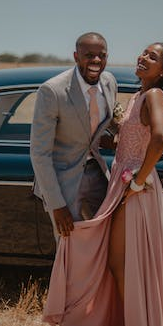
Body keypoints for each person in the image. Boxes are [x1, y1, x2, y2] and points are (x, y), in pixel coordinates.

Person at [42, 42, 163, 326]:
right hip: (123, 182)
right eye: (144, 53)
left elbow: (160, 138)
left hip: (134, 187)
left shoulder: (155, 95)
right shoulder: (138, 96)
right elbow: (129, 140)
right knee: (122, 262)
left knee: (120, 263)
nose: (144, 57)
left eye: (153, 57)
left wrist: (137, 181)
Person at [30, 32, 118, 239]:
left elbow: (108, 122)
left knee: (106, 237)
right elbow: (39, 152)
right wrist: (56, 205)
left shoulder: (109, 82)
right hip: (63, 179)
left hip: (98, 173)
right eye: (89, 55)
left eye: (101, 55)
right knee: (68, 244)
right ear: (76, 56)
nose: (96, 60)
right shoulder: (52, 91)